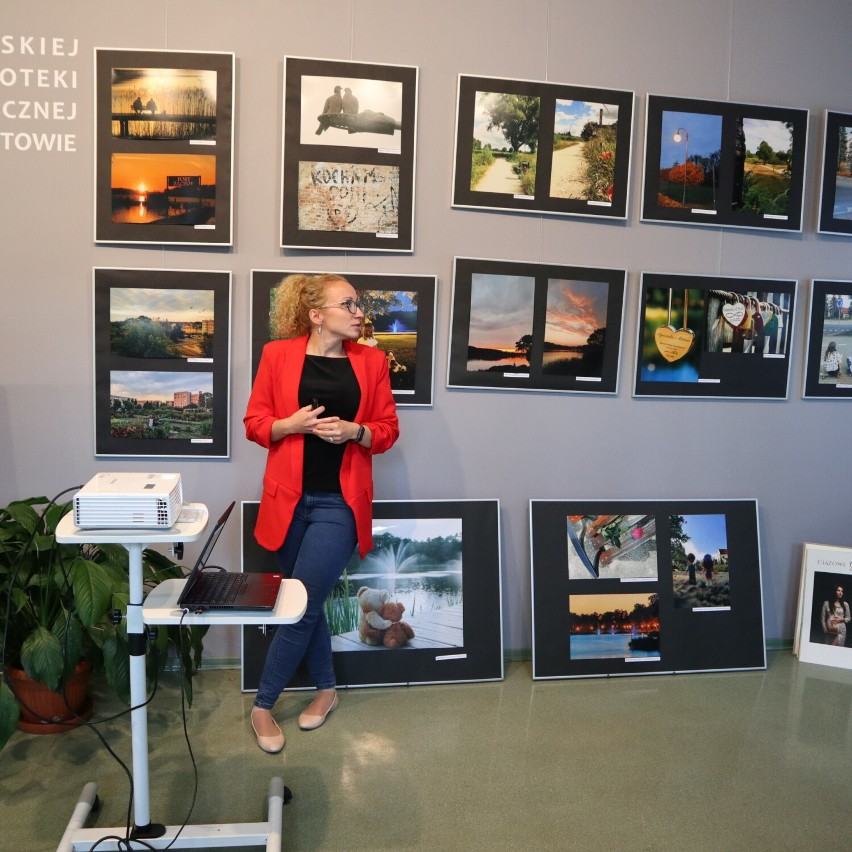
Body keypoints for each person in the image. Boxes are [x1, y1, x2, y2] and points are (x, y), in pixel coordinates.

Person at [244, 273, 399, 753]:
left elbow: (388, 431)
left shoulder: (372, 362)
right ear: (316, 315)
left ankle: (262, 705)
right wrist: (287, 425)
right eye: (348, 304)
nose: (359, 312)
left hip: (339, 503)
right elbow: (254, 423)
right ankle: (327, 688)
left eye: (359, 304)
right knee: (303, 602)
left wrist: (355, 431)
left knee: (301, 605)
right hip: (287, 499)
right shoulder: (278, 354)